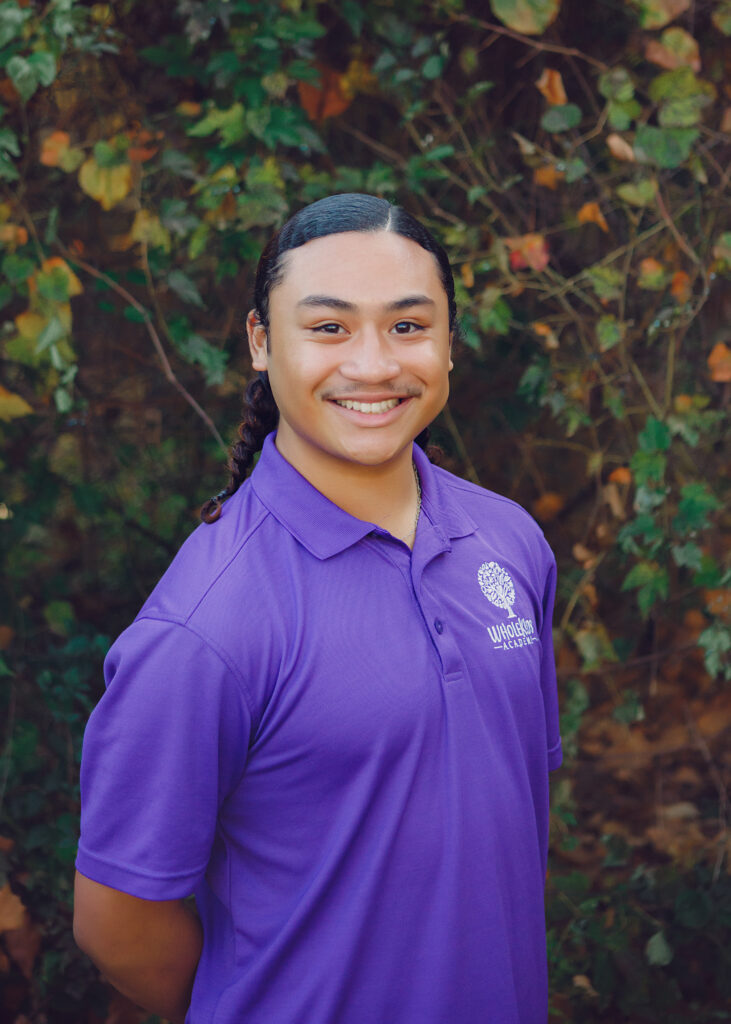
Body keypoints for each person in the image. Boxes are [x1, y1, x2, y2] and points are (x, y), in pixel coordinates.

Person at [74, 193, 562, 1024]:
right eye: (329, 327)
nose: (372, 365)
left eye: (407, 325)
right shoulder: (205, 628)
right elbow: (117, 927)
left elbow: (500, 817)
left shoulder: (509, 542)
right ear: (262, 342)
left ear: (449, 340)